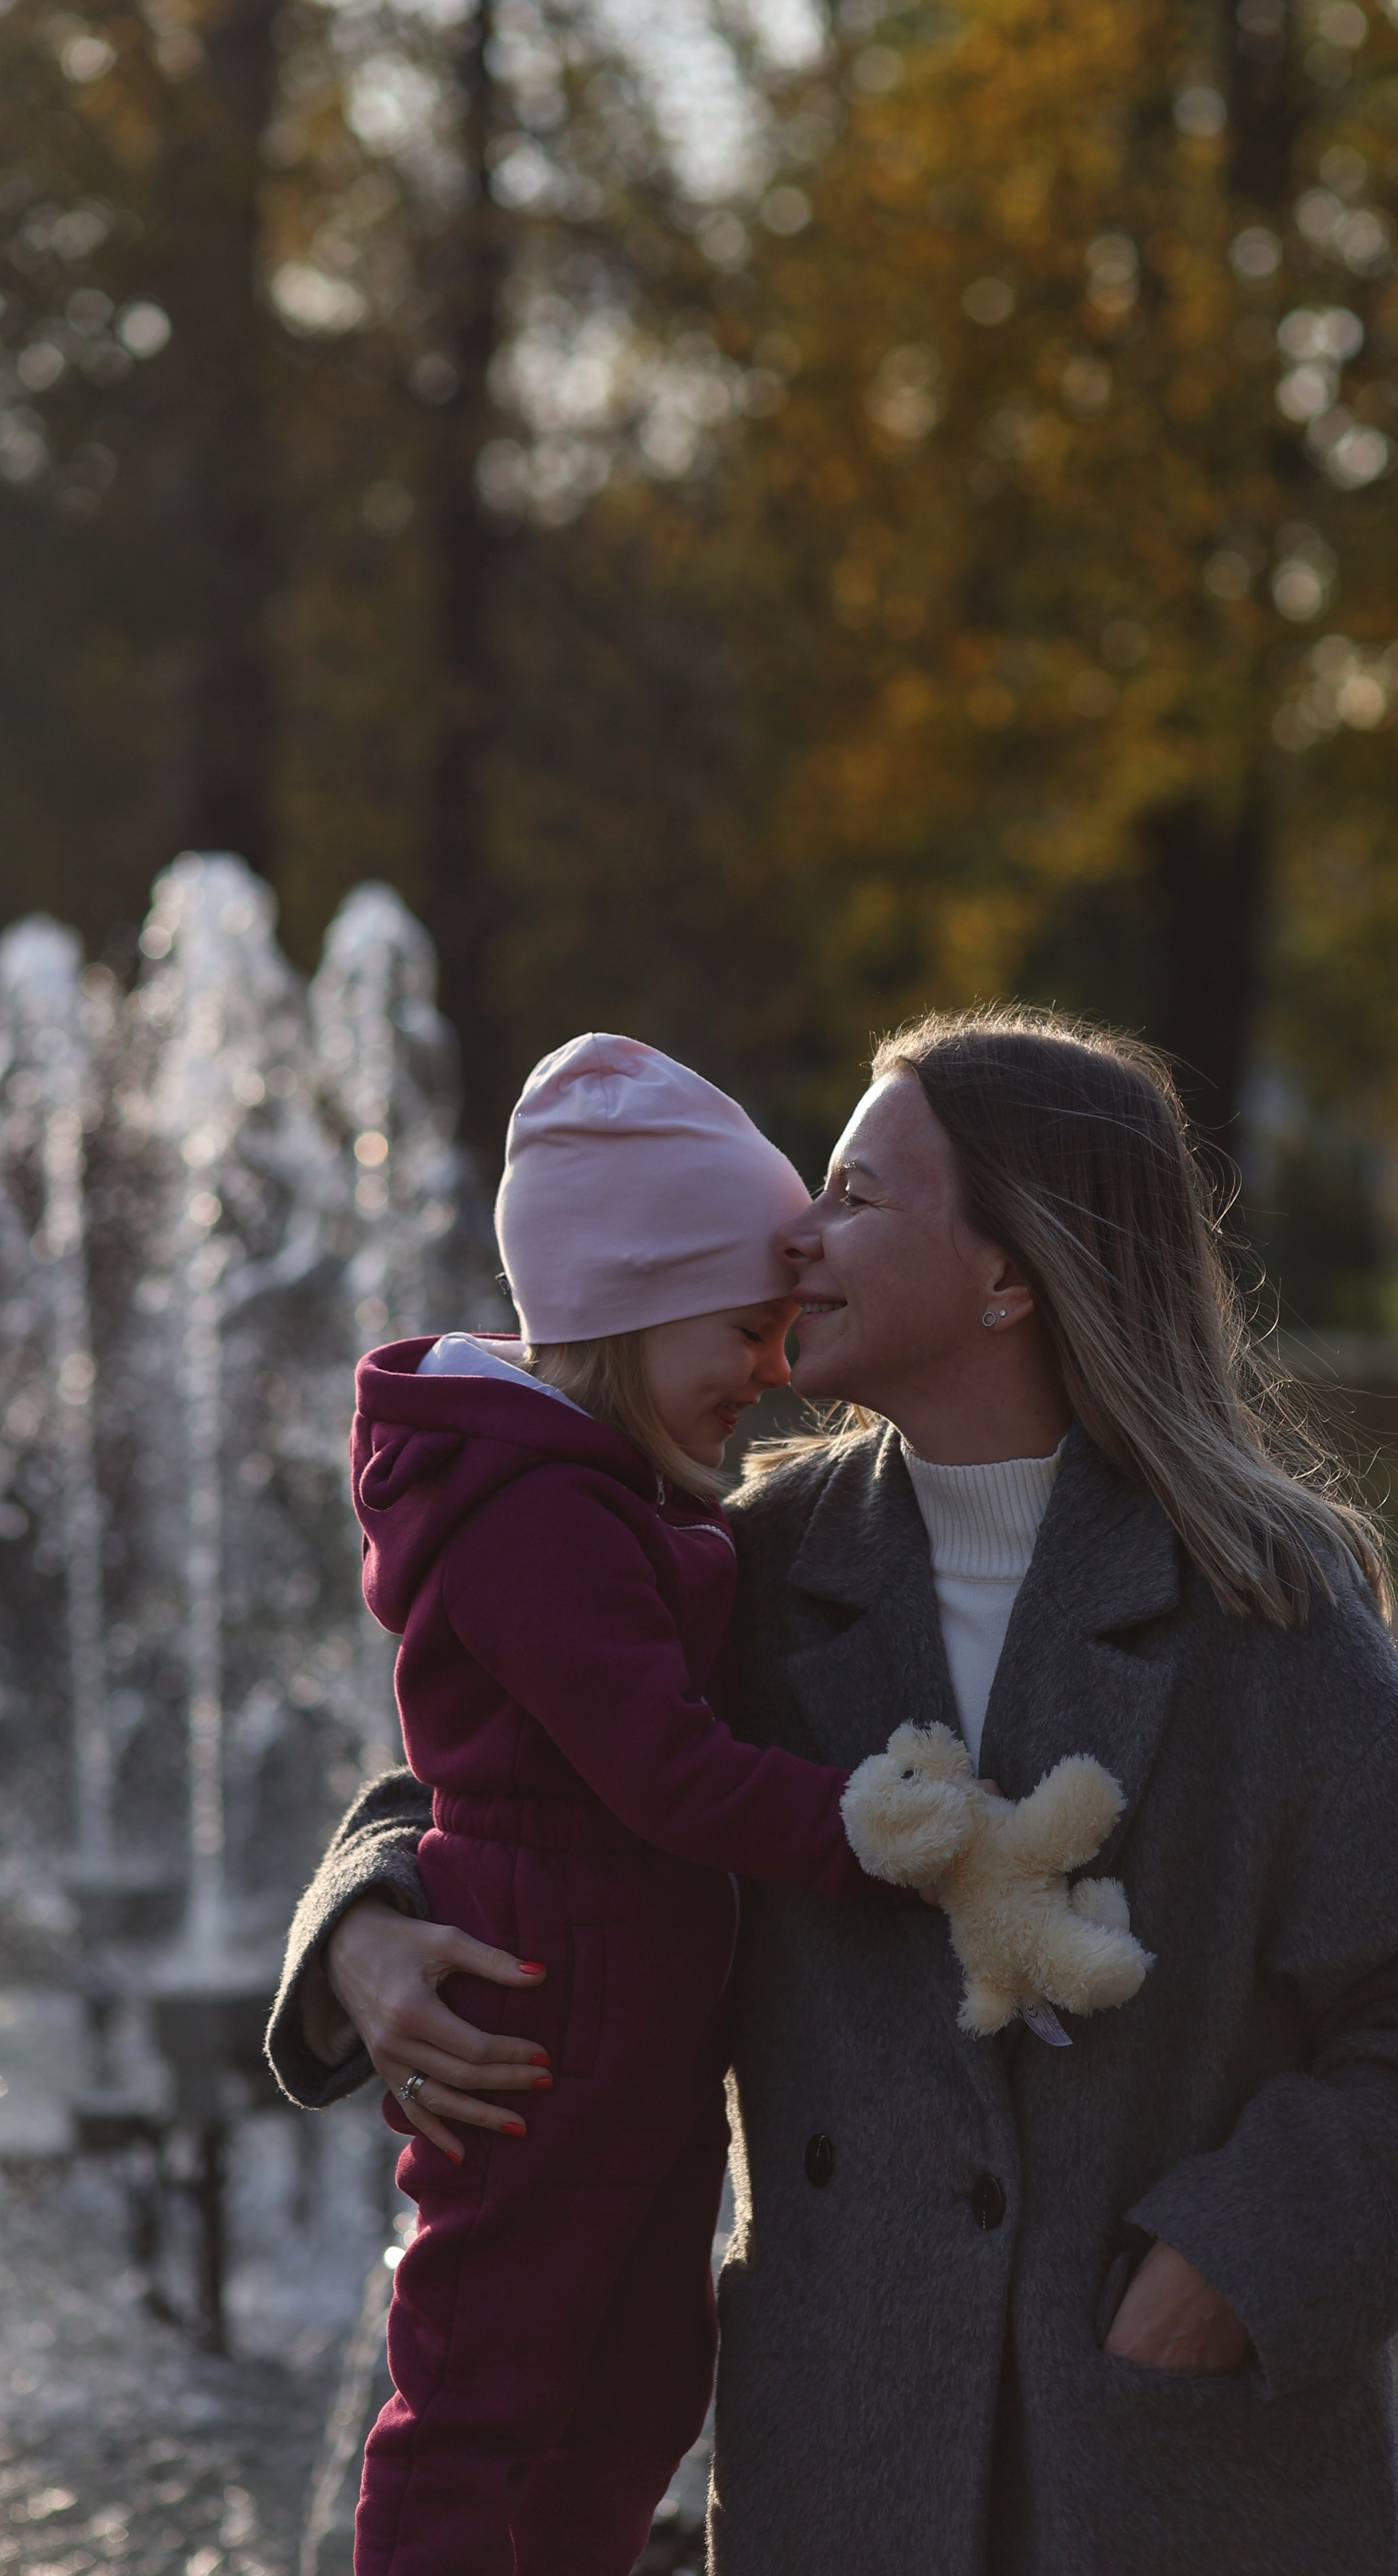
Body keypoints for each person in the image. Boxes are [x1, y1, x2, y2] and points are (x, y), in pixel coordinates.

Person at [270, 1007, 1398, 2576]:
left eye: (852, 1192)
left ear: (1005, 1272)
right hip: (846, 2458)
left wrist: (1229, 2263)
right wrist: (363, 1915)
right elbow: (505, 1768)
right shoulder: (757, 1561)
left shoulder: (1255, 1600)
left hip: (1162, 2464)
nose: (794, 1235)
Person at [338, 1032, 889, 2576]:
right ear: (630, 1309)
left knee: (642, 2390)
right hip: (537, 2019)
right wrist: (875, 1831)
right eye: (747, 1327)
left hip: (638, 2028)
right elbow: (660, 1769)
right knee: (476, 2392)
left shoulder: (631, 1499)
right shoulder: (538, 1521)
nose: (773, 1372)